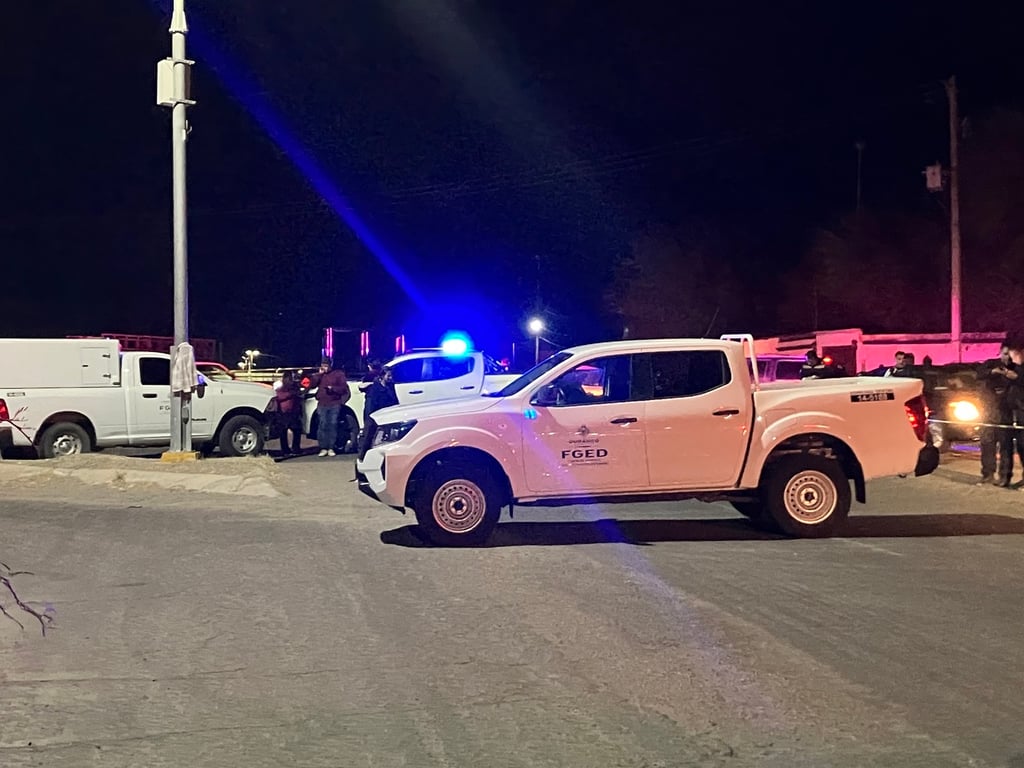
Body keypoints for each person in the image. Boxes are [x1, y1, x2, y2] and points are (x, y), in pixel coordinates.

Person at [307, 357, 350, 457]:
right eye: (323, 365)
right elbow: (311, 385)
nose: (325, 368)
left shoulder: (338, 374)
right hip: (322, 403)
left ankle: (331, 447)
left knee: (333, 425)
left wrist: (333, 389)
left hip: (334, 403)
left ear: (331, 365)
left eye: (326, 366)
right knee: (322, 425)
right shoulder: (320, 375)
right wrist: (318, 375)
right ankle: (323, 447)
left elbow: (343, 388)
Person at [997, 339, 1024, 487]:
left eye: (1011, 354)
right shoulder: (997, 368)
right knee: (1005, 447)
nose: (1008, 357)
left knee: (1023, 447)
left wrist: (1017, 377)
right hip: (1005, 413)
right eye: (1005, 354)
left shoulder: (1019, 370)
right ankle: (1004, 477)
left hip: (1021, 413)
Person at [359, 367, 399, 458]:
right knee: (369, 436)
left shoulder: (390, 386)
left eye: (391, 375)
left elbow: (395, 400)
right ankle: (363, 456)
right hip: (376, 417)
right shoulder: (374, 389)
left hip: (388, 416)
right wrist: (371, 419)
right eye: (388, 376)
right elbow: (370, 406)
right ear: (382, 376)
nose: (390, 378)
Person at [274, 370, 303, 456]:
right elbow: (279, 397)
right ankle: (290, 449)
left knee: (294, 430)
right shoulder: (283, 388)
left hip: (291, 411)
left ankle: (291, 449)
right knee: (287, 431)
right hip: (285, 411)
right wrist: (290, 394)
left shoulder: (291, 387)